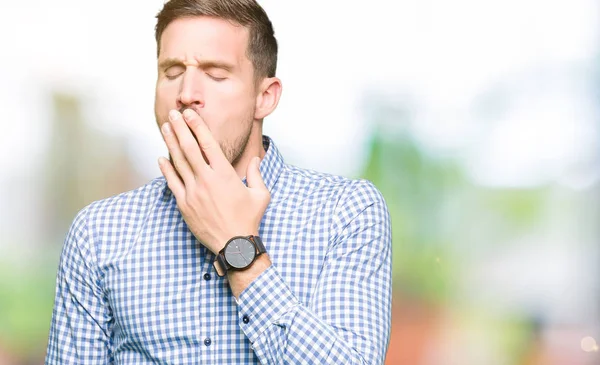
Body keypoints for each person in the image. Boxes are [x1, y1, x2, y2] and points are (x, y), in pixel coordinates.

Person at [45, 0, 392, 363]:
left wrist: (238, 247)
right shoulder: (98, 233)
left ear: (265, 97)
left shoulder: (347, 213)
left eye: (216, 73)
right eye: (172, 71)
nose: (187, 93)